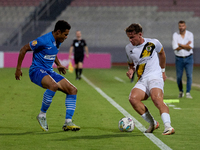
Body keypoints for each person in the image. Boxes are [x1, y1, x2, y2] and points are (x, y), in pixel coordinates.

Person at [15, 20, 80, 132]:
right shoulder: (43, 40)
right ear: (58, 32)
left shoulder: (57, 41)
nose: (66, 37)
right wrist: (18, 69)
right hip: (36, 71)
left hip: (49, 71)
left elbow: (52, 52)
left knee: (72, 90)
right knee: (53, 86)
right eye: (65, 34)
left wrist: (58, 64)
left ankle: (68, 122)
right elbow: (24, 49)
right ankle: (42, 115)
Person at [125, 23, 175, 135]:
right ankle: (153, 123)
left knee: (156, 98)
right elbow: (131, 64)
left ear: (140, 34)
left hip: (155, 76)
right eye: (129, 37)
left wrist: (162, 71)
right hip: (142, 79)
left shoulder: (153, 43)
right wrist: (131, 70)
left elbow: (162, 53)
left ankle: (168, 126)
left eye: (132, 37)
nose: (130, 40)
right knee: (133, 98)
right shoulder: (128, 48)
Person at [172, 20, 194, 99]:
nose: (181, 27)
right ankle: (181, 91)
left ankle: (188, 92)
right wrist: (186, 45)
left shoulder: (190, 34)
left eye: (183, 26)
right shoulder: (175, 35)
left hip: (189, 58)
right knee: (179, 77)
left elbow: (190, 47)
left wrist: (180, 45)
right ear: (178, 27)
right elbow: (175, 48)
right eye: (180, 26)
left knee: (189, 75)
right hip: (179, 58)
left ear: (185, 26)